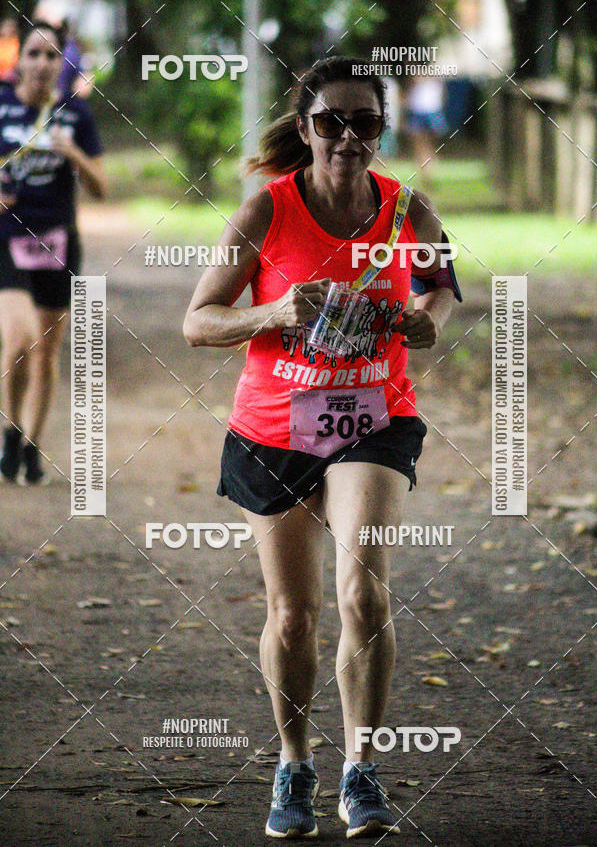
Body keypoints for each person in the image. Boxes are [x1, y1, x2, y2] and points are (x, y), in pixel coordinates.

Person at [184, 56, 461, 839]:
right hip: (274, 427)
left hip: (376, 416)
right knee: (294, 613)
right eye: (330, 122)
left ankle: (362, 769)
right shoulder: (265, 213)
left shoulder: (410, 211)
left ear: (383, 129)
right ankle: (294, 762)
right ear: (304, 128)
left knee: (362, 594)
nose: (347, 137)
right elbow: (197, 322)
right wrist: (271, 313)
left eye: (364, 122)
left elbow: (440, 285)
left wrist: (427, 315)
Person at [0, 21, 106, 484]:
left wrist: (72, 153)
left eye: (51, 55)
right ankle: (10, 429)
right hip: (5, 238)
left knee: (46, 350)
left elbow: (101, 188)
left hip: (58, 242)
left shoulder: (75, 115)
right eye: (34, 54)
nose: (42, 64)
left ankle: (31, 447)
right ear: (19, 60)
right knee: (20, 341)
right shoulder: (1, 105)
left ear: (62, 63)